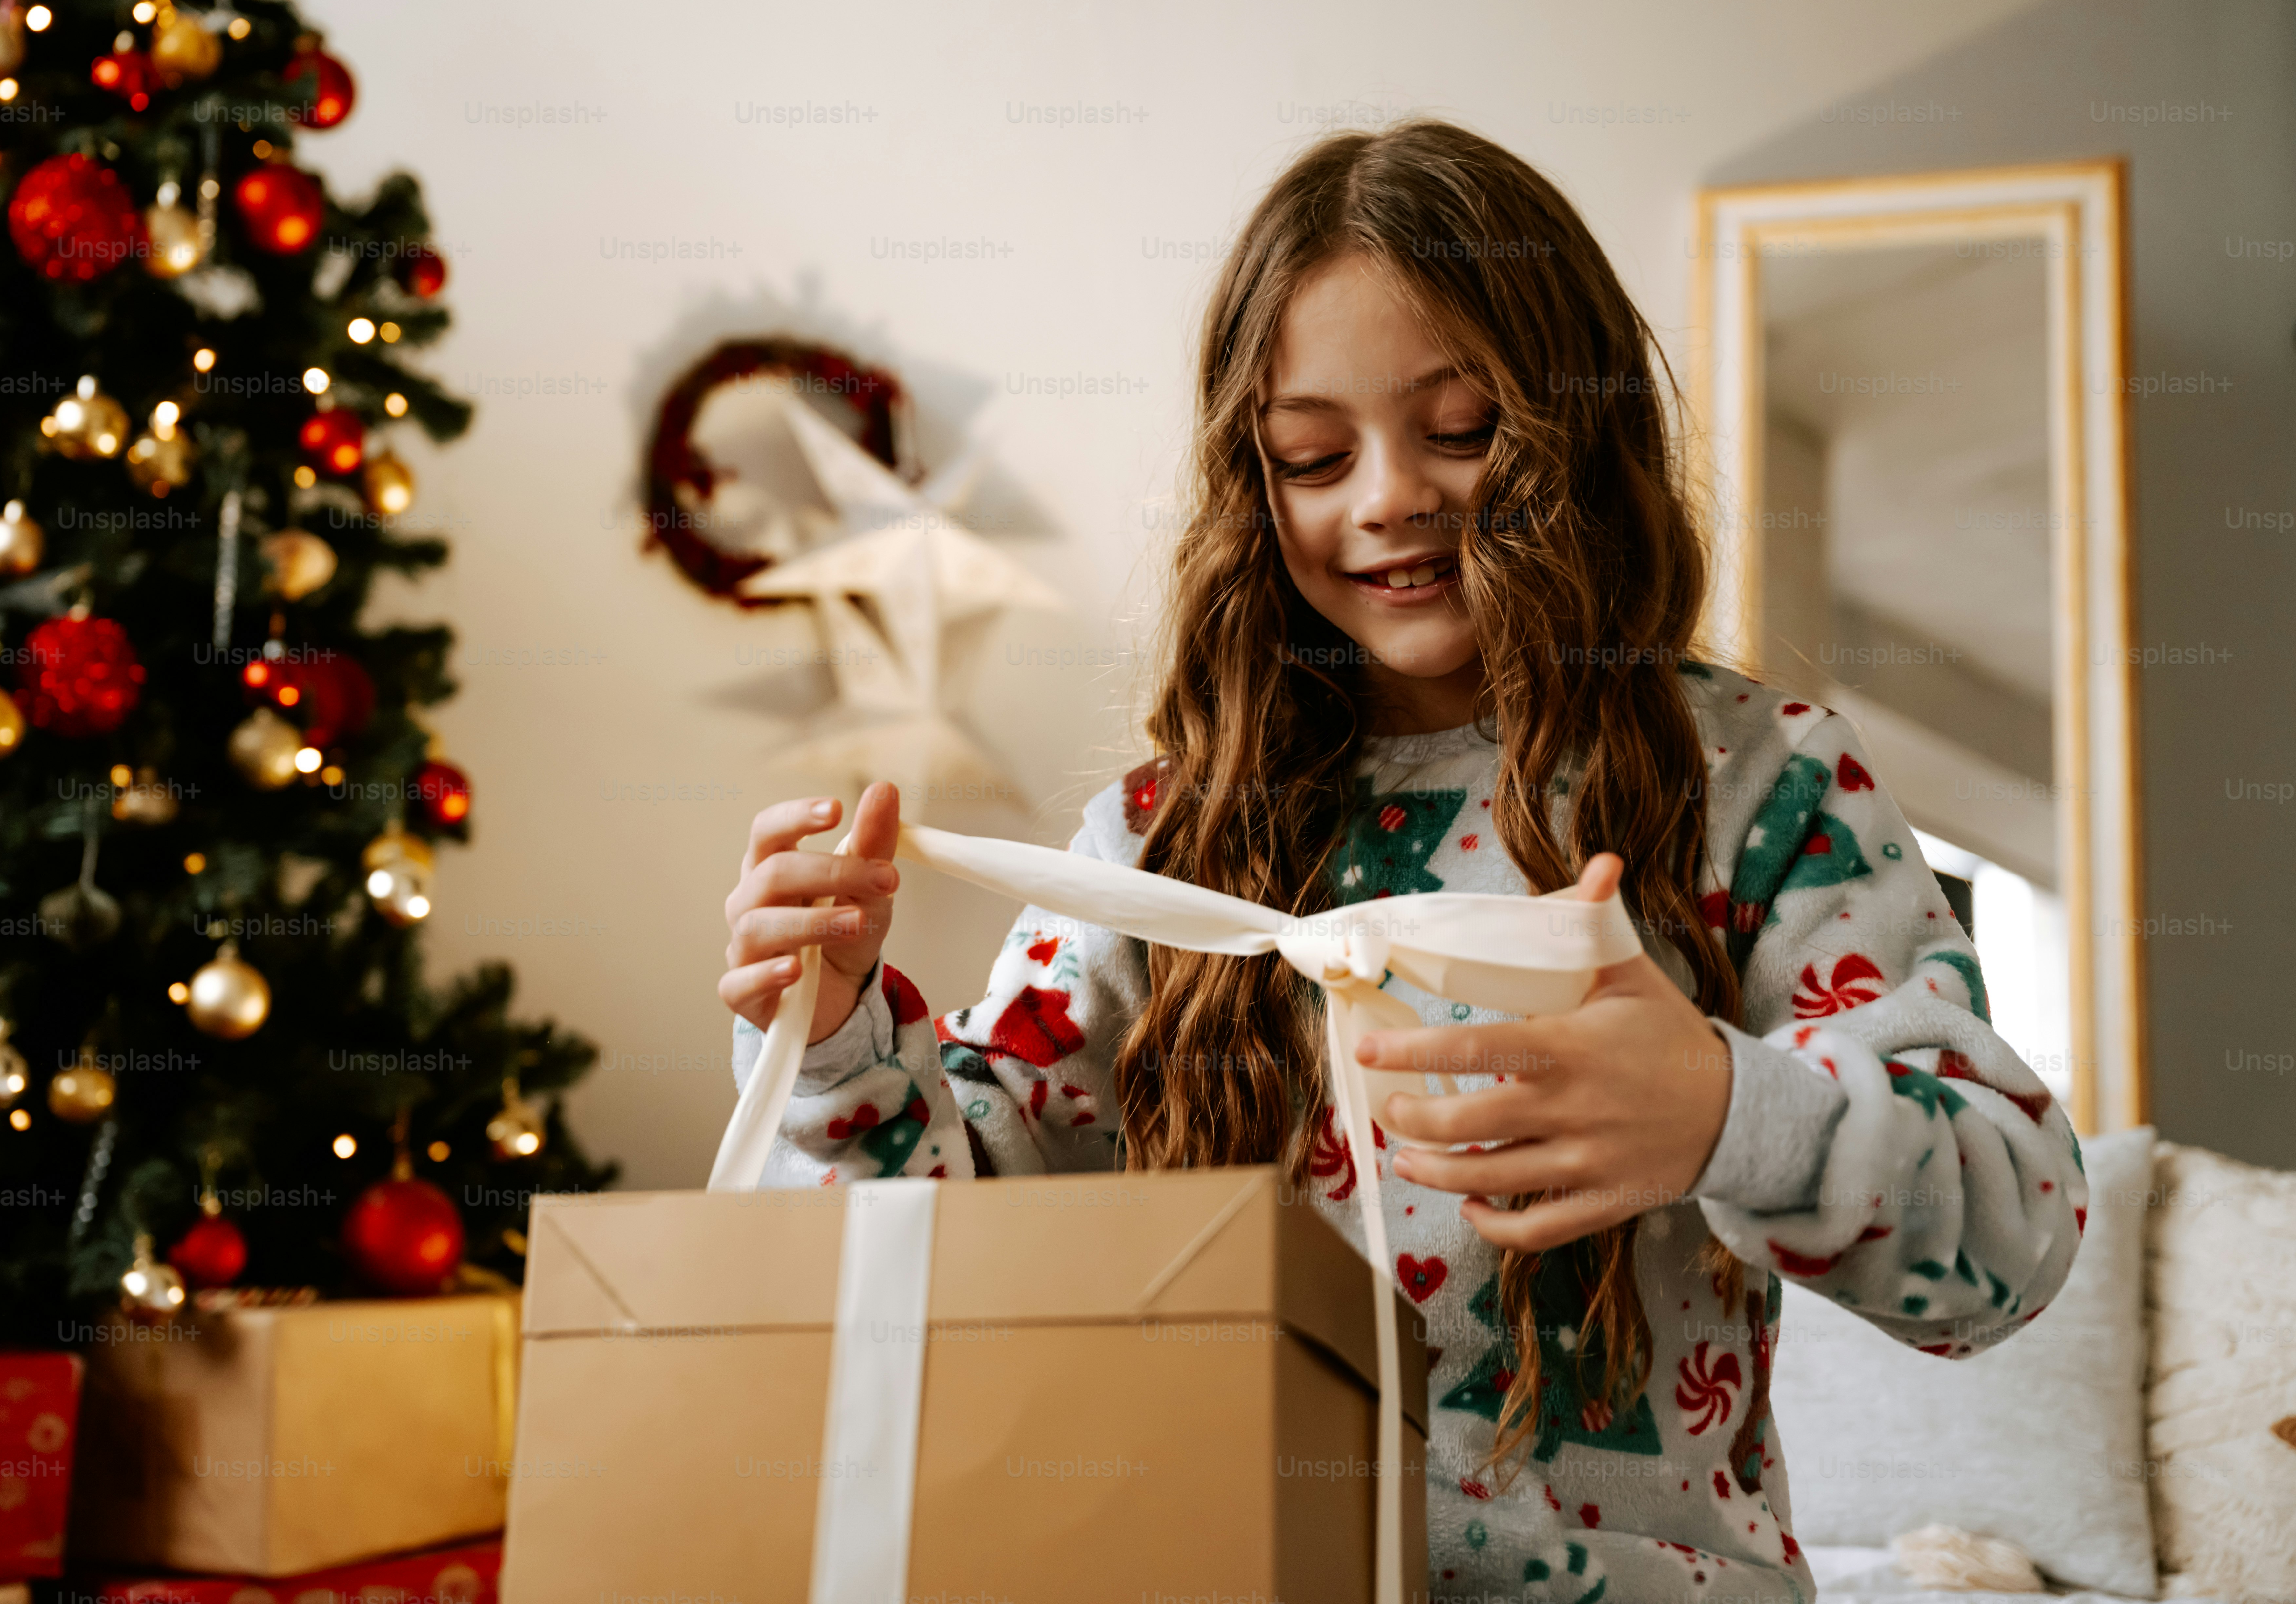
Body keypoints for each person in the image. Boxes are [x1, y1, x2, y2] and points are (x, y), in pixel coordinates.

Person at [717, 121, 2082, 1603]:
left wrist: (1720, 1109)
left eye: (1463, 428)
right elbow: (951, 1245)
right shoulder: (1166, 839)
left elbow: (2009, 1235)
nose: (1387, 497)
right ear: (1257, 479)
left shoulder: (1762, 785)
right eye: (1315, 453)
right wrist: (841, 1035)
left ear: (1577, 424)